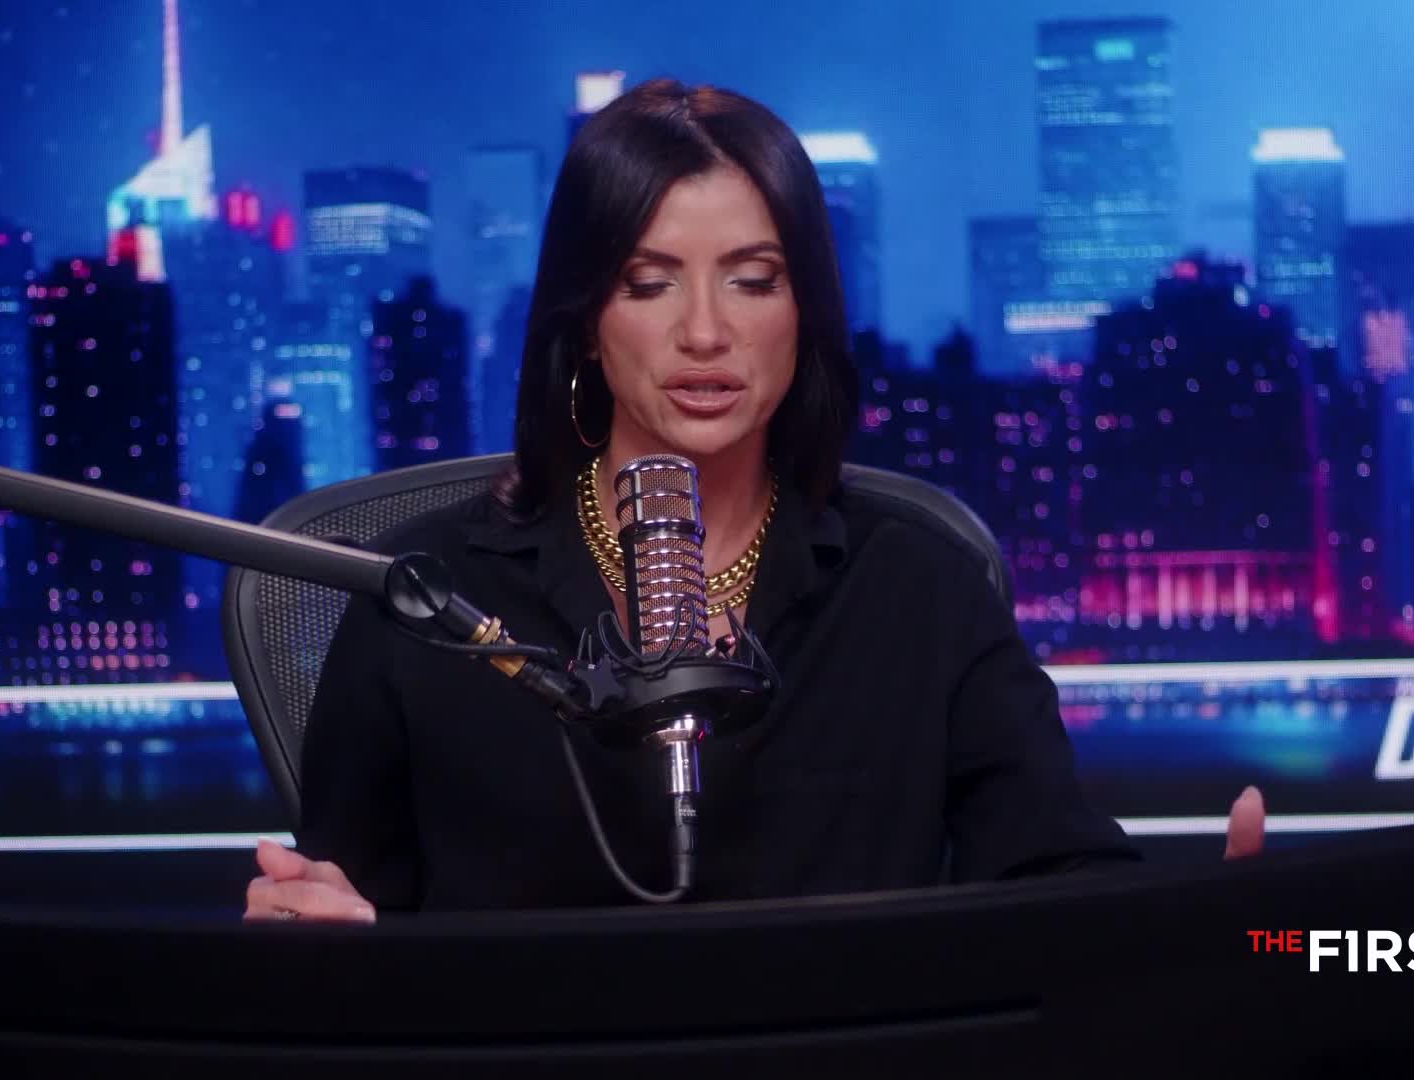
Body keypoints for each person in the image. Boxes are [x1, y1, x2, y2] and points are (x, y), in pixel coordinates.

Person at [244, 78, 1266, 923]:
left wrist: (1212, 937)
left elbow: (1059, 888)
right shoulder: (431, 603)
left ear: (804, 308)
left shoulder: (919, 588)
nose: (703, 332)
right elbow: (352, 932)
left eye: (751, 280)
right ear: (585, 320)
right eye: (649, 284)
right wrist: (315, 936)